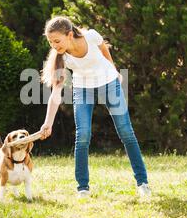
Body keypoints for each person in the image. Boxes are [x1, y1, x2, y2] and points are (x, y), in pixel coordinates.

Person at [39, 16, 151, 199]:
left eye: (57, 41)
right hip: (83, 88)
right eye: (50, 42)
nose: (54, 46)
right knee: (82, 135)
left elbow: (104, 48)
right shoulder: (62, 57)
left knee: (125, 131)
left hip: (108, 83)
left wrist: (114, 70)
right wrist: (47, 123)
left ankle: (143, 183)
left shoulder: (91, 36)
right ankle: (82, 188)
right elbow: (56, 93)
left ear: (69, 35)